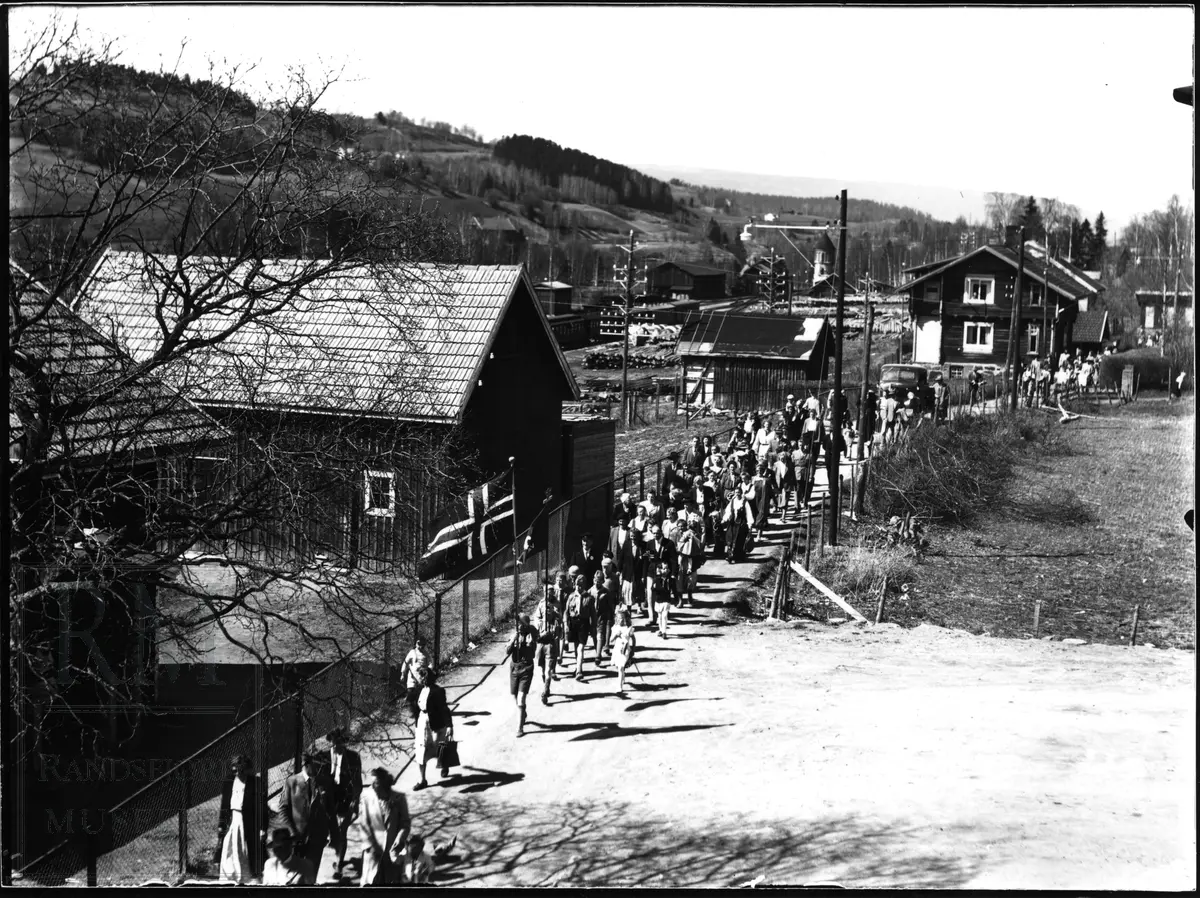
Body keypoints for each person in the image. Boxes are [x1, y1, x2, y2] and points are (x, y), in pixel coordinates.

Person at [279, 751, 333, 882]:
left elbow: (330, 810)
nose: (320, 768)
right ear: (306, 765)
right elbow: (283, 809)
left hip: (317, 839)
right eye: (317, 764)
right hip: (297, 839)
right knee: (295, 878)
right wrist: (292, 832)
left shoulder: (324, 782)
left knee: (311, 877)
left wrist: (329, 832)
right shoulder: (292, 782)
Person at [216, 754, 268, 884]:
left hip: (250, 824)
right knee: (231, 852)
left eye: (240, 770)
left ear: (246, 769)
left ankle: (250, 880)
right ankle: (233, 880)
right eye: (235, 770)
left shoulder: (256, 783)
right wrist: (221, 824)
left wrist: (263, 828)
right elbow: (224, 806)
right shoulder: (229, 782)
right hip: (234, 822)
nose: (238, 773)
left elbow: (262, 808)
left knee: (248, 853)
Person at [357, 768, 410, 886]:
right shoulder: (366, 798)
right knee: (371, 882)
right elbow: (364, 825)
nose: (372, 786)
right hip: (373, 851)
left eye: (376, 783)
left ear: (384, 783)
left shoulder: (399, 798)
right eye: (372, 783)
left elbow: (405, 824)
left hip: (392, 851)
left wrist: (399, 839)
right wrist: (370, 846)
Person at [325, 728, 363, 879]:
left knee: (342, 832)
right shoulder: (325, 758)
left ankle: (338, 864)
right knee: (334, 832)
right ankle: (338, 856)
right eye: (335, 743)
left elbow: (357, 782)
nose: (338, 746)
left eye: (341, 743)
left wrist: (356, 801)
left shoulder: (353, 757)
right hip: (330, 800)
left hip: (346, 800)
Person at [413, 668, 454, 791]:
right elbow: (414, 704)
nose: (418, 679)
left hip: (435, 724)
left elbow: (444, 709)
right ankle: (422, 780)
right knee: (421, 750)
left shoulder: (438, 691)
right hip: (422, 722)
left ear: (425, 678)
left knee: (439, 747)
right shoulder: (419, 690)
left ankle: (444, 766)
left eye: (420, 677)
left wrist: (449, 726)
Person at [504, 613, 539, 736]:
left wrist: (531, 642)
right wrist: (512, 641)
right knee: (514, 695)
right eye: (517, 624)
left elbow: (536, 638)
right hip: (514, 668)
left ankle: (520, 728)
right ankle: (523, 711)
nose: (518, 626)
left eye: (521, 624)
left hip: (526, 668)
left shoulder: (531, 633)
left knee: (521, 698)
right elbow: (507, 652)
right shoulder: (514, 635)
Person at [642, 522, 677, 620]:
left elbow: (673, 560)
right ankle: (652, 617)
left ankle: (664, 614)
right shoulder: (649, 543)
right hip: (651, 572)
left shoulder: (669, 544)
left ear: (661, 532)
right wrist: (644, 575)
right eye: (653, 533)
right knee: (649, 594)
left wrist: (673, 574)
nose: (655, 535)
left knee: (664, 594)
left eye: (657, 533)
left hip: (663, 573)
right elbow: (646, 560)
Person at [564, 574, 594, 681]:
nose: (579, 587)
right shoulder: (571, 597)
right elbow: (566, 612)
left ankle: (579, 671)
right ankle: (578, 665)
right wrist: (566, 625)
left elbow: (592, 615)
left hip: (583, 624)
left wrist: (592, 628)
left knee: (581, 647)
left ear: (585, 585)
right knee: (576, 648)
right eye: (577, 585)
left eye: (581, 585)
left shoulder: (589, 598)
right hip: (573, 623)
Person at [608, 515, 639, 612]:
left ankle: (636, 604)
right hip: (618, 559)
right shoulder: (614, 531)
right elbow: (610, 544)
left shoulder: (631, 533)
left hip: (632, 564)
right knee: (619, 584)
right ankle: (620, 604)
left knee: (633, 586)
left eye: (623, 521)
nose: (621, 523)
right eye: (620, 521)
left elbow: (645, 551)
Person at [399, 637, 429, 724]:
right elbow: (405, 662)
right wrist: (402, 673)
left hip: (422, 679)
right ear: (416, 644)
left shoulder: (426, 654)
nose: (421, 647)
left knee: (420, 696)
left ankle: (418, 712)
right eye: (419, 645)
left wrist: (429, 670)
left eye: (422, 645)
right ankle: (413, 711)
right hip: (412, 678)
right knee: (410, 694)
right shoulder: (412, 653)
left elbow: (430, 663)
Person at [722, 485, 754, 562]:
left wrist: (750, 524)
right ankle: (730, 556)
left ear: (741, 493)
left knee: (739, 541)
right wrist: (724, 519)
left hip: (741, 524)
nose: (737, 494)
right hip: (733, 524)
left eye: (739, 492)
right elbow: (728, 511)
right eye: (736, 492)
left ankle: (738, 557)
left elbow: (749, 513)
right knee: (730, 539)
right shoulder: (732, 501)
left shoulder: (745, 502)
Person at [591, 568, 616, 667]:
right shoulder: (590, 591)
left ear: (602, 581)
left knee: (600, 635)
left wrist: (611, 615)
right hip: (593, 617)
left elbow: (610, 605)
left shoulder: (606, 592)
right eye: (596, 581)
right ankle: (598, 649)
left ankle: (598, 656)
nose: (597, 583)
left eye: (599, 581)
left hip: (602, 616)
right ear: (593, 580)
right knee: (594, 635)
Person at [675, 517, 702, 606]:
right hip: (680, 559)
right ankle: (680, 600)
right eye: (679, 526)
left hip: (690, 559)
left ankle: (690, 597)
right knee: (679, 580)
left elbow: (697, 544)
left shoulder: (691, 533)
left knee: (690, 580)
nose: (681, 528)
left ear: (686, 526)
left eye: (682, 526)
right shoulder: (675, 534)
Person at [610, 609, 636, 696]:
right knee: (619, 667)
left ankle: (619, 687)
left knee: (621, 667)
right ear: (616, 619)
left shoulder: (628, 628)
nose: (620, 620)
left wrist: (633, 649)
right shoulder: (615, 628)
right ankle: (622, 677)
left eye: (622, 618)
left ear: (625, 618)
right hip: (617, 649)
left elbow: (633, 639)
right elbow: (610, 640)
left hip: (626, 650)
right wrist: (615, 635)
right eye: (619, 618)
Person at [651, 560, 674, 638]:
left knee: (664, 616)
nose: (666, 570)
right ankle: (660, 629)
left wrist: (676, 598)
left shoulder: (670, 579)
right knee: (660, 616)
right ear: (659, 569)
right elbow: (652, 589)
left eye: (667, 568)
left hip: (666, 600)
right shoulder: (657, 579)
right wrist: (655, 585)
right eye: (664, 568)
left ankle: (664, 632)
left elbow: (673, 589)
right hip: (659, 600)